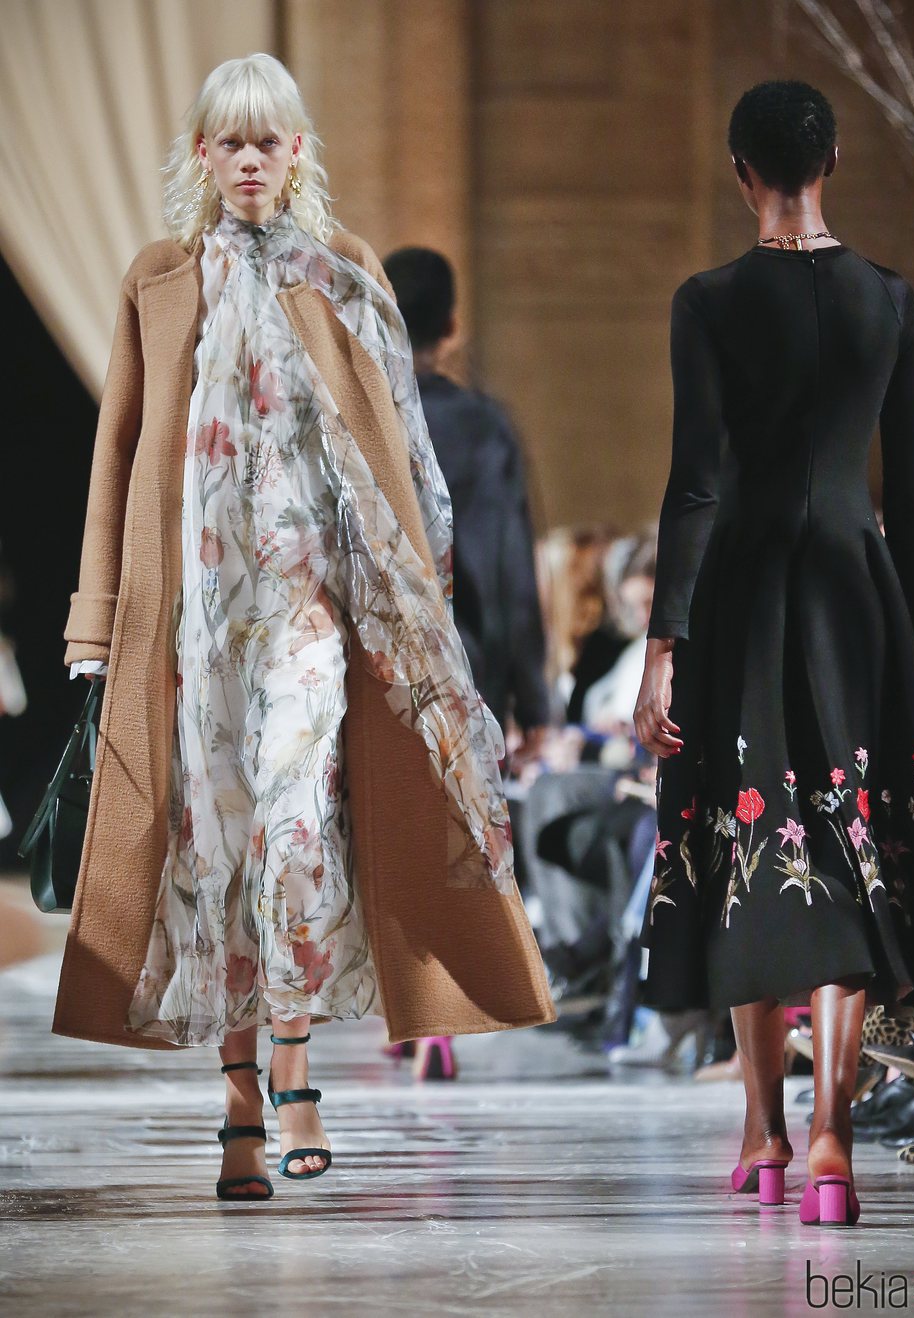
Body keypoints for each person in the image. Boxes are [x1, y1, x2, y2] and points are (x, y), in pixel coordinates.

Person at [59, 53, 554, 1202]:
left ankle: (291, 1070)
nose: (246, 159)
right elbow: (118, 452)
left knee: (294, 835)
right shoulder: (157, 277)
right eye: (227, 141)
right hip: (192, 626)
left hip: (307, 621)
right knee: (209, 856)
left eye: (266, 140)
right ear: (200, 154)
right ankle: (237, 1105)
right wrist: (96, 616)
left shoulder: (343, 275)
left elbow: (400, 458)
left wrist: (414, 615)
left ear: (296, 152)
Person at [632, 79, 914, 1227]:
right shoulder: (888, 297)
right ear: (829, 158)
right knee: (847, 853)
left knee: (749, 842)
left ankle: (763, 1131)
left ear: (741, 171)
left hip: (740, 594)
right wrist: (897, 632)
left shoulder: (706, 301)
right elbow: (907, 486)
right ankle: (832, 1134)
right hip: (856, 596)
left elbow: (691, 485)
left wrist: (659, 645)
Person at [381, 246, 549, 770]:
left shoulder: (355, 422)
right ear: (451, 326)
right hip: (469, 674)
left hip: (374, 672)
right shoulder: (486, 429)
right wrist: (534, 699)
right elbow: (511, 569)